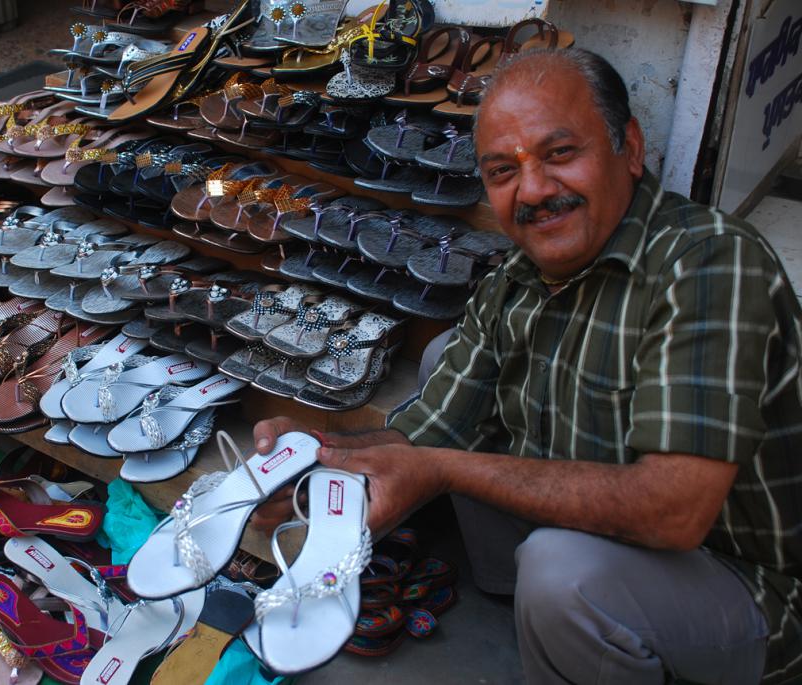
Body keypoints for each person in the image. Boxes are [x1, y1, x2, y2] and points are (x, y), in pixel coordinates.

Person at [250, 48, 802, 684]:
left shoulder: (709, 264)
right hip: (607, 551)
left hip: (745, 588)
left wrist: (439, 468)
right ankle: (537, 609)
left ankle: (575, 624)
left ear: (628, 147)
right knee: (441, 361)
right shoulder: (516, 280)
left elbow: (673, 512)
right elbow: (424, 434)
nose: (534, 189)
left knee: (562, 574)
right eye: (502, 170)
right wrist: (321, 459)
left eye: (560, 153)